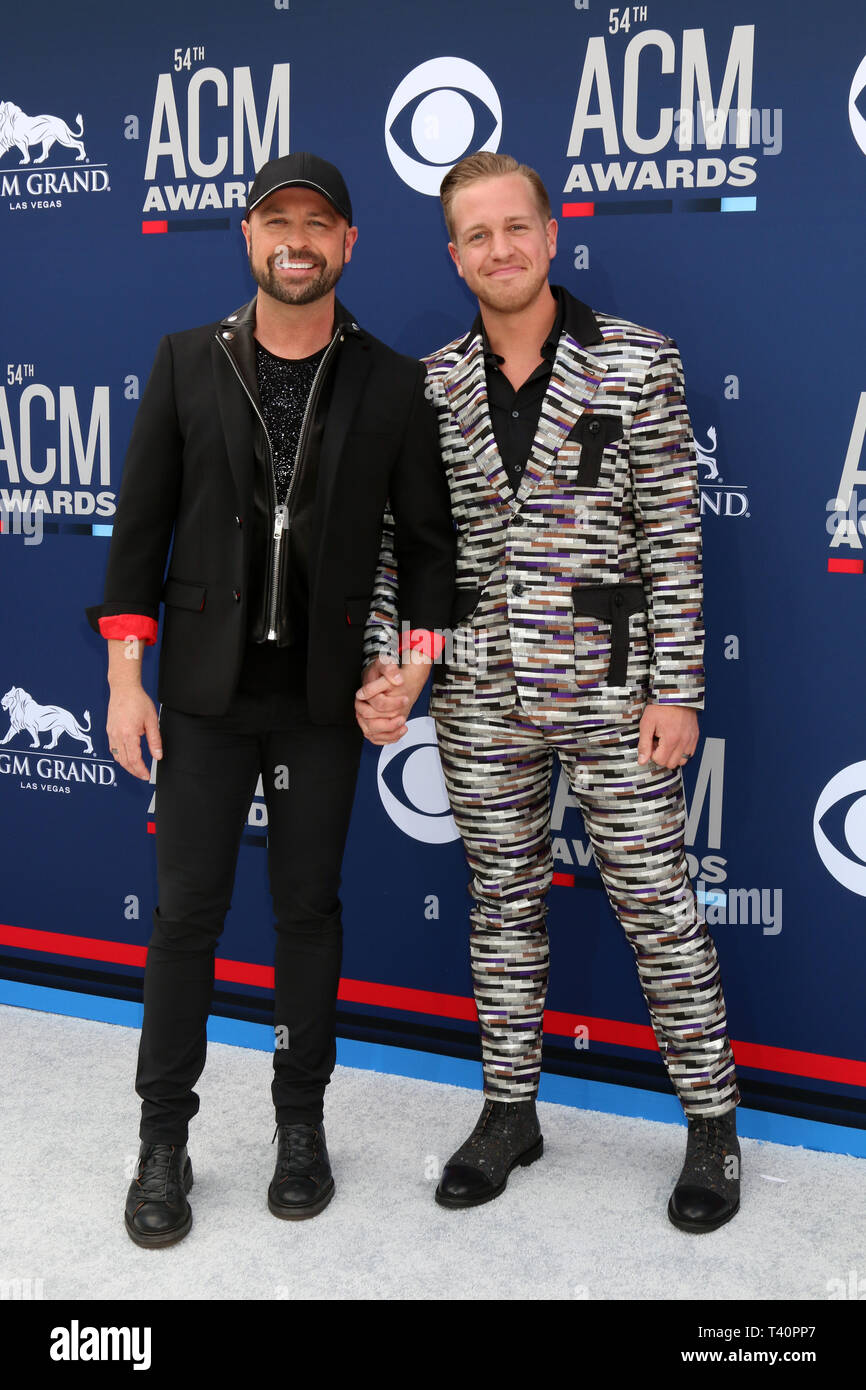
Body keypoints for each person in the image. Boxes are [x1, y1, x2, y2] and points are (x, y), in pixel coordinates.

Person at [355, 151, 740, 1233]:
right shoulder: (425, 386)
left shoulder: (637, 362)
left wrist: (678, 688)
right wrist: (398, 663)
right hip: (477, 694)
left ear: (549, 230)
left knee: (655, 904)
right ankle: (509, 1110)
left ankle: (710, 1120)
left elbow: (671, 538)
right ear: (453, 255)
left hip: (620, 694)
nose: (498, 248)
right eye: (475, 235)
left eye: (513, 226)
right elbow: (408, 555)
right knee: (502, 907)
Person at [87, 152, 454, 1246]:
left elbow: (432, 556)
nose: (294, 239)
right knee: (186, 916)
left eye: (317, 223)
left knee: (306, 914)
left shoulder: (393, 382)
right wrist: (123, 681)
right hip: (199, 698)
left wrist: (415, 667)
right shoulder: (184, 361)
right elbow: (138, 533)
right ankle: (163, 1137)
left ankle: (301, 1123)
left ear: (348, 245)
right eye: (274, 221)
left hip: (320, 703)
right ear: (249, 241)